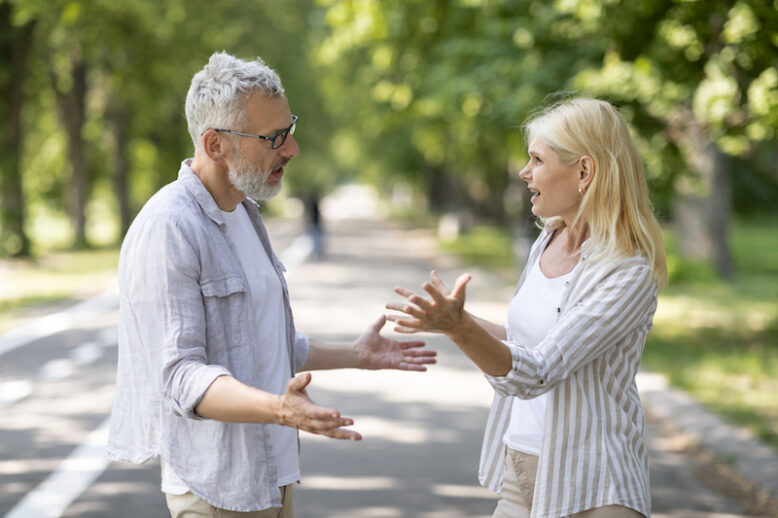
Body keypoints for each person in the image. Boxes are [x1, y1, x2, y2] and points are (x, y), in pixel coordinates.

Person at [107, 51, 436, 517]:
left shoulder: (244, 212)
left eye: (290, 129)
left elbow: (262, 345)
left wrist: (356, 356)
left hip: (273, 479)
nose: (292, 149)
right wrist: (281, 410)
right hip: (217, 493)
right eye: (274, 137)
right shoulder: (169, 228)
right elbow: (180, 376)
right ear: (215, 144)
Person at [387, 97, 666, 518]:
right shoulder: (547, 241)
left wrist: (460, 329)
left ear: (584, 172)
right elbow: (525, 343)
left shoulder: (626, 272)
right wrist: (451, 321)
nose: (524, 172)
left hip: (593, 485)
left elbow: (538, 371)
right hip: (522, 468)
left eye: (537, 159)